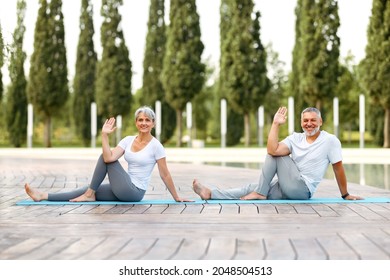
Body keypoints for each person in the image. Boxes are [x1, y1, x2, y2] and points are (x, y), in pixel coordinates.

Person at [193, 106, 363, 201]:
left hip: (302, 190)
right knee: (250, 188)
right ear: (301, 122)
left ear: (320, 122)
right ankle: (210, 194)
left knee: (275, 157)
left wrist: (345, 194)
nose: (309, 124)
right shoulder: (295, 138)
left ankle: (260, 192)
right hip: (286, 186)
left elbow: (338, 168)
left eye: (313, 120)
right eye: (305, 120)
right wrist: (275, 124)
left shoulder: (330, 141)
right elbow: (271, 148)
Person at [25, 106, 191, 203]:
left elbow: (165, 174)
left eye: (147, 120)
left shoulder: (156, 146)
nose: (144, 123)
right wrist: (104, 135)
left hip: (135, 192)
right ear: (136, 122)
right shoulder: (127, 140)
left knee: (106, 161)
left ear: (153, 123)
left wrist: (176, 197)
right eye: (140, 120)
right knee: (88, 189)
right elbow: (108, 156)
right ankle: (43, 195)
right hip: (123, 186)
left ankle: (89, 195)